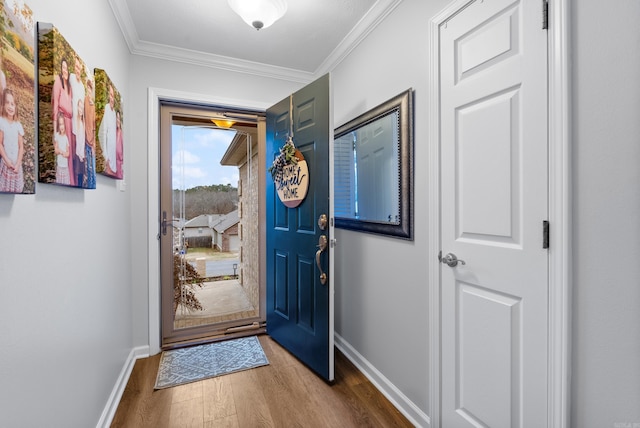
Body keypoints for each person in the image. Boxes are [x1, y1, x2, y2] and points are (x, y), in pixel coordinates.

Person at [52, 58, 74, 185]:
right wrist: (55, 129)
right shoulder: (58, 82)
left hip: (69, 124)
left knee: (68, 152)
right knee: (61, 154)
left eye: (66, 68)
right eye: (63, 68)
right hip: (61, 121)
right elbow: (55, 104)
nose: (64, 70)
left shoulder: (70, 87)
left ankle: (69, 180)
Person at [0, 88, 25, 193]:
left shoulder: (18, 125)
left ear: (16, 107)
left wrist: (18, 163)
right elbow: (0, 144)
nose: (10, 106)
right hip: (7, 164)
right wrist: (6, 160)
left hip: (16, 165)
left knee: (15, 191)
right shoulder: (2, 122)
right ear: (4, 105)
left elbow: (21, 147)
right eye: (8, 103)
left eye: (13, 104)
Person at [69, 56, 86, 186]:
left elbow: (83, 105)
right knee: (73, 156)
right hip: (72, 123)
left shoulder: (82, 86)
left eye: (79, 67)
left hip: (80, 123)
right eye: (76, 67)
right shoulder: (71, 78)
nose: (78, 70)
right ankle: (73, 180)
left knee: (80, 156)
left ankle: (78, 182)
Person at [98, 83, 117, 176]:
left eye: (113, 95)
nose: (112, 98)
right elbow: (102, 132)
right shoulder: (107, 108)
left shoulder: (114, 113)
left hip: (114, 156)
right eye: (110, 95)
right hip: (108, 156)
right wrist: (105, 154)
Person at [84, 77, 96, 188]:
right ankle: (88, 183)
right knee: (87, 166)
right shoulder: (84, 101)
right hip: (85, 138)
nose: (89, 90)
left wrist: (93, 142)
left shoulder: (93, 106)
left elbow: (93, 126)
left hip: (91, 140)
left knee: (92, 165)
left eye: (90, 88)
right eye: (88, 88)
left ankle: (92, 183)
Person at [53, 113, 70, 185]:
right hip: (59, 165)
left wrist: (63, 153)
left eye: (63, 124)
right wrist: (60, 151)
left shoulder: (66, 137)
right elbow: (56, 150)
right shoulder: (57, 135)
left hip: (65, 166)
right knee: (59, 182)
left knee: (65, 182)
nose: (61, 126)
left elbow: (68, 153)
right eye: (60, 125)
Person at [74, 99, 86, 186]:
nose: (81, 110)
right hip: (78, 153)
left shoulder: (83, 122)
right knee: (78, 173)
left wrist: (83, 153)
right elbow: (77, 140)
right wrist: (79, 153)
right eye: (80, 107)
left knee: (81, 173)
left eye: (82, 108)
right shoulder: (76, 122)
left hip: (82, 152)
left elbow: (83, 140)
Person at [115, 109, 124, 179]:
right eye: (116, 118)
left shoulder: (122, 135)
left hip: (120, 170)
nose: (117, 120)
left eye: (118, 118)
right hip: (113, 168)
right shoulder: (112, 134)